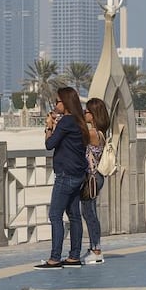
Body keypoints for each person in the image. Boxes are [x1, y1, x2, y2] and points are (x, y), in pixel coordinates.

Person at [34, 87, 90, 270]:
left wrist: (49, 126)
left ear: (65, 103)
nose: (54, 104)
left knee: (55, 215)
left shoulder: (66, 121)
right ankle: (74, 257)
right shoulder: (79, 120)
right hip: (78, 174)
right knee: (74, 216)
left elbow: (50, 144)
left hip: (65, 174)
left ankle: (55, 258)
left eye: (57, 101)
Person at [80, 97, 110, 265]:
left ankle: (96, 249)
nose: (84, 113)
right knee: (89, 212)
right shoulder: (101, 133)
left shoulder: (92, 133)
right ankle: (94, 248)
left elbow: (77, 136)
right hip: (96, 177)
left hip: (91, 177)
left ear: (94, 114)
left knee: (89, 213)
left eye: (87, 111)